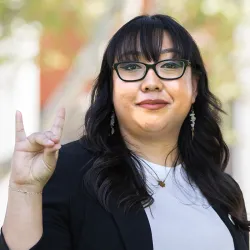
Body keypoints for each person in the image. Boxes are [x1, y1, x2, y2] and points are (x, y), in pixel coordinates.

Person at [0, 14, 249, 250]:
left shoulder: (223, 189)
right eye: (131, 66)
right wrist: (24, 189)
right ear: (111, 89)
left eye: (170, 64)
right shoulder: (65, 169)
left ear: (194, 87)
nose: (151, 82)